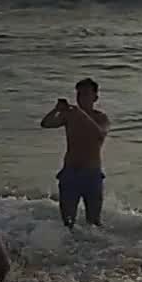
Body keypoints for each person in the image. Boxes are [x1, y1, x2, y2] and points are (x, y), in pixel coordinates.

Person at [40, 77, 111, 230]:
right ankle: (70, 250)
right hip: (70, 172)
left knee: (94, 223)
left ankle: (95, 250)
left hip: (92, 174)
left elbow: (99, 134)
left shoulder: (101, 118)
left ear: (95, 97)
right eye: (79, 94)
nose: (81, 98)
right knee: (68, 223)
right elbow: (46, 123)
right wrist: (57, 109)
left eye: (85, 94)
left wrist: (82, 114)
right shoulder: (70, 116)